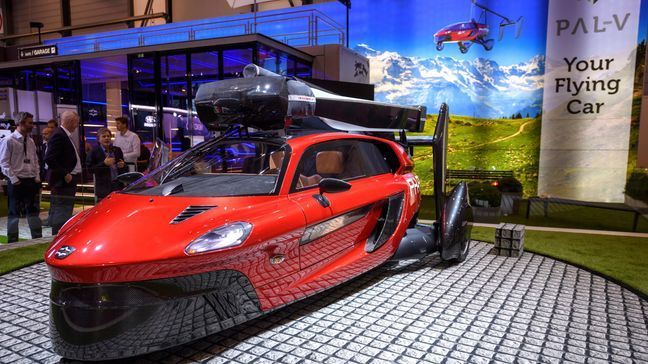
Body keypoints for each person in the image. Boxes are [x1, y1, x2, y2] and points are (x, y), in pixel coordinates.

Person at [0, 112, 43, 243]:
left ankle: (37, 239)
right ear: (20, 123)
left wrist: (37, 176)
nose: (32, 125)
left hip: (31, 180)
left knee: (33, 211)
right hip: (17, 181)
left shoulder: (30, 141)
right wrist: (14, 179)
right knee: (14, 212)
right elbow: (3, 162)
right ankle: (13, 241)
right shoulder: (8, 140)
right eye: (30, 122)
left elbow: (35, 160)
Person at [45, 111, 81, 235]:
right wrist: (65, 173)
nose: (77, 125)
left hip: (67, 180)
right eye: (76, 122)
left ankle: (60, 235)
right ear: (71, 121)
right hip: (63, 180)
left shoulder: (64, 135)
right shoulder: (59, 135)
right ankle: (58, 236)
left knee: (64, 209)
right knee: (62, 210)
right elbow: (49, 158)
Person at [86, 128, 128, 202]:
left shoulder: (117, 150)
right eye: (104, 136)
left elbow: (125, 167)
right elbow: (89, 169)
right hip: (103, 189)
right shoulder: (94, 151)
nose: (107, 138)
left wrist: (123, 165)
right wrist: (104, 164)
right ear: (98, 139)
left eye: (108, 136)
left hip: (118, 186)